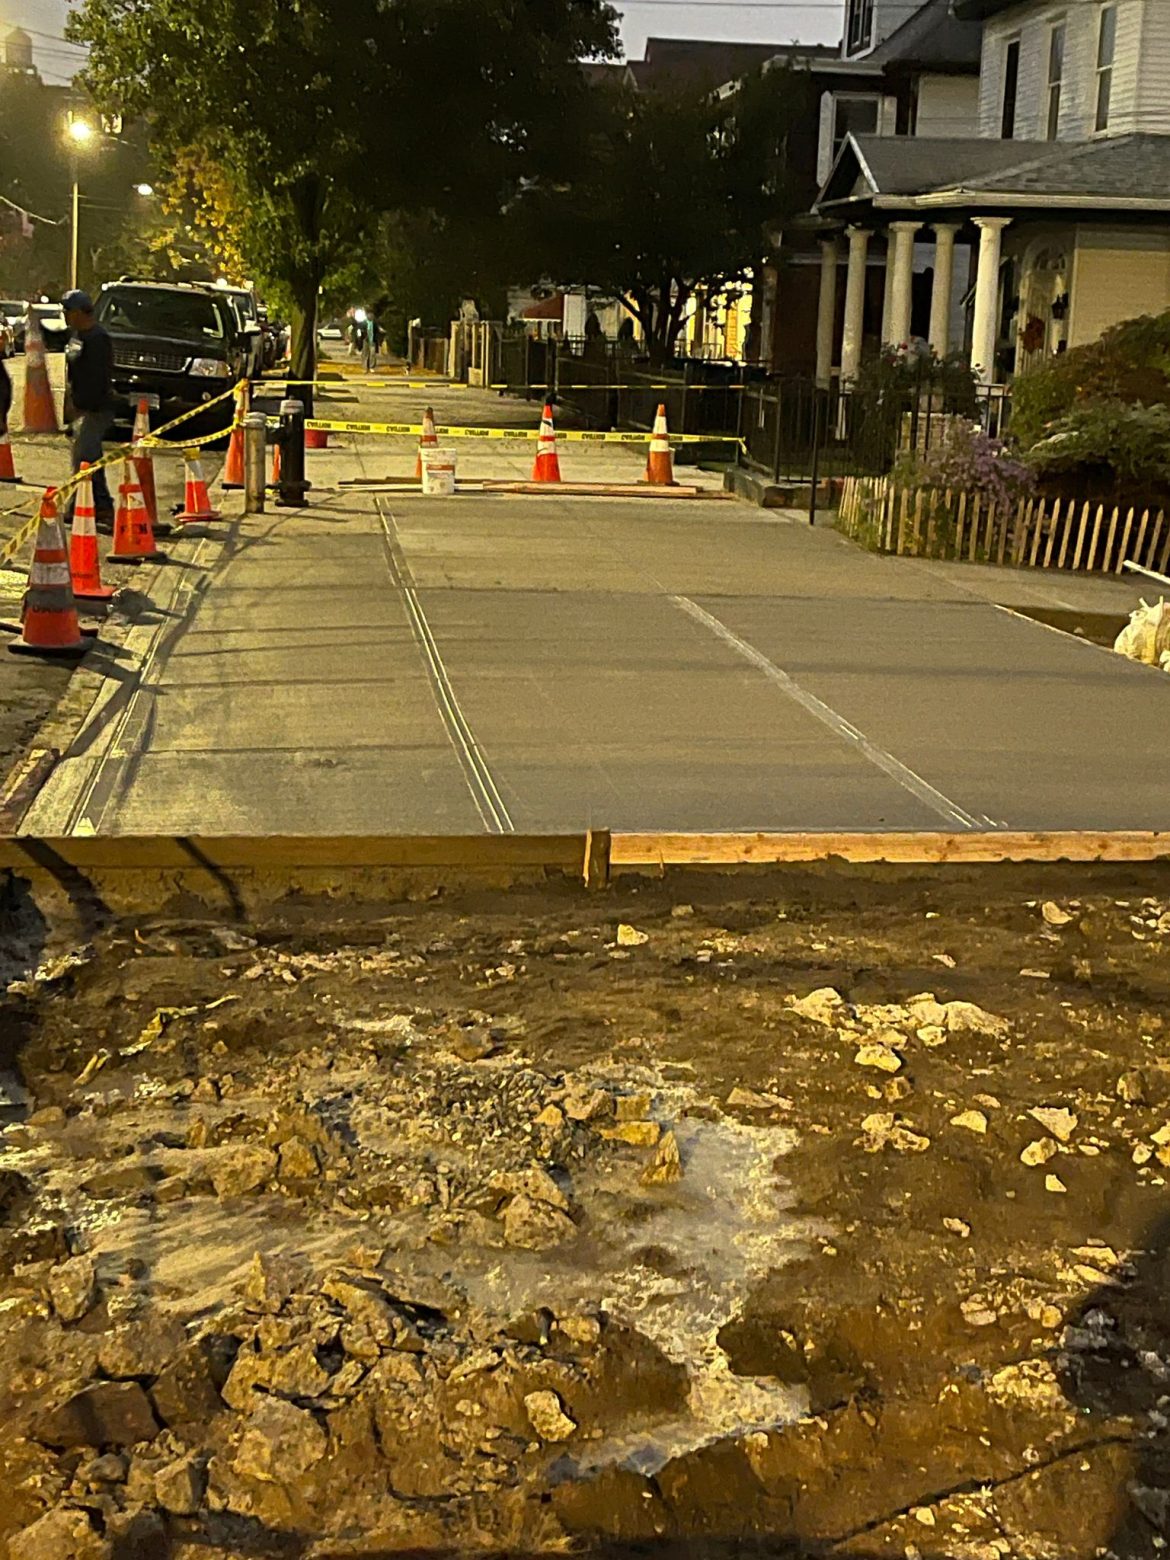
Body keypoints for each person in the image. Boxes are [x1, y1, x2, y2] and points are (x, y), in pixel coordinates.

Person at [61, 289, 115, 525]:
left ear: (81, 312)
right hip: (81, 405)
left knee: (84, 457)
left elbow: (98, 379)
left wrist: (85, 405)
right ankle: (101, 504)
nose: (65, 315)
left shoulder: (97, 339)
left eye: (68, 311)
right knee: (89, 457)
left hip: (96, 408)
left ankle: (81, 506)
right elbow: (74, 373)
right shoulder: (77, 337)